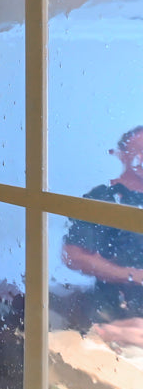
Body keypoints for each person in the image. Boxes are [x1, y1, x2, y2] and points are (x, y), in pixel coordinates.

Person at [62, 126, 143, 346]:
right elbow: (73, 256)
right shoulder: (104, 197)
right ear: (122, 155)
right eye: (138, 150)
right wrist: (133, 275)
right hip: (114, 315)